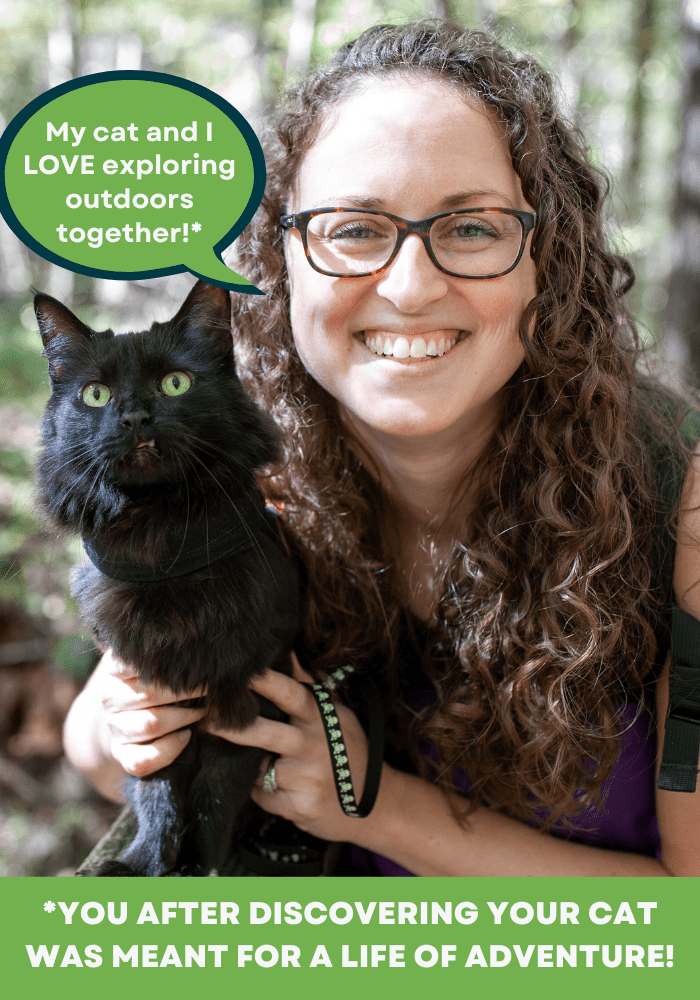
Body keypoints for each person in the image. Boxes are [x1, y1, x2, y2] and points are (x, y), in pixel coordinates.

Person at [64, 20, 700, 876]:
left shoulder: (680, 506)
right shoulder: (230, 470)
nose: (410, 286)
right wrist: (128, 725)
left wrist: (373, 805)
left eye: (471, 229)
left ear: (547, 261)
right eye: (354, 229)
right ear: (282, 260)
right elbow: (97, 747)